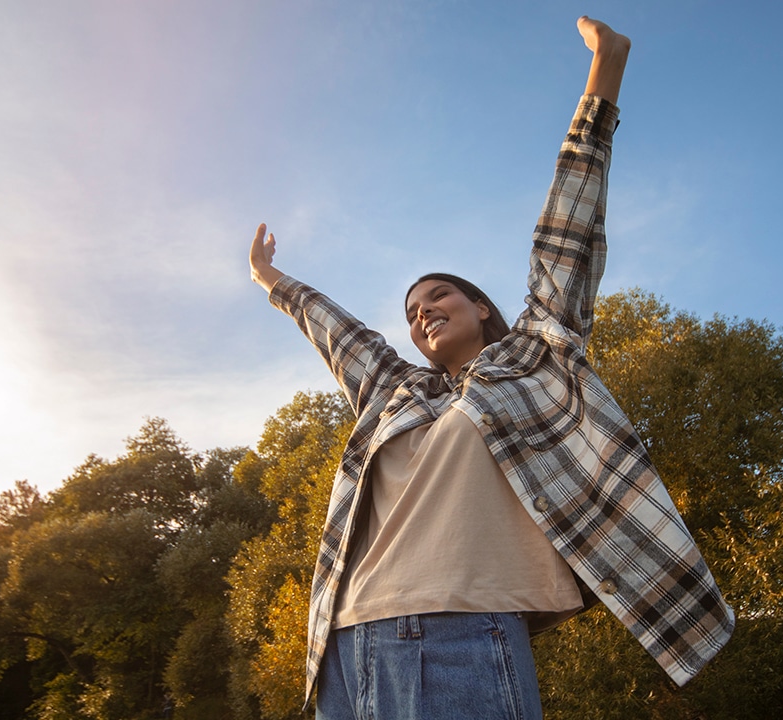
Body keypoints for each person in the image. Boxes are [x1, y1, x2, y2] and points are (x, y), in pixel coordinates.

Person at [248, 16, 734, 720]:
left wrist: (604, 77)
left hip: (460, 633)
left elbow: (566, 235)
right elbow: (338, 333)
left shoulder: (536, 355)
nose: (421, 314)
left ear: (480, 307)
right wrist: (271, 281)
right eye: (412, 312)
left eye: (438, 296)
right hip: (346, 646)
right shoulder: (397, 394)